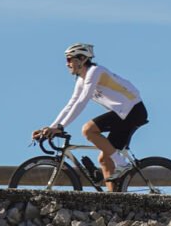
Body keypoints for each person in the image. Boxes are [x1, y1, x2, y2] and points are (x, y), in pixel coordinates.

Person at [32, 42, 146, 191]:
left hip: (133, 110)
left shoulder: (95, 72)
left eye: (69, 59)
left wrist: (61, 127)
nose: (67, 64)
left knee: (88, 130)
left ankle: (123, 165)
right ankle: (115, 198)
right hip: (123, 113)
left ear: (82, 59)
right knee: (104, 159)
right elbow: (71, 105)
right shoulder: (81, 80)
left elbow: (82, 102)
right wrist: (52, 127)